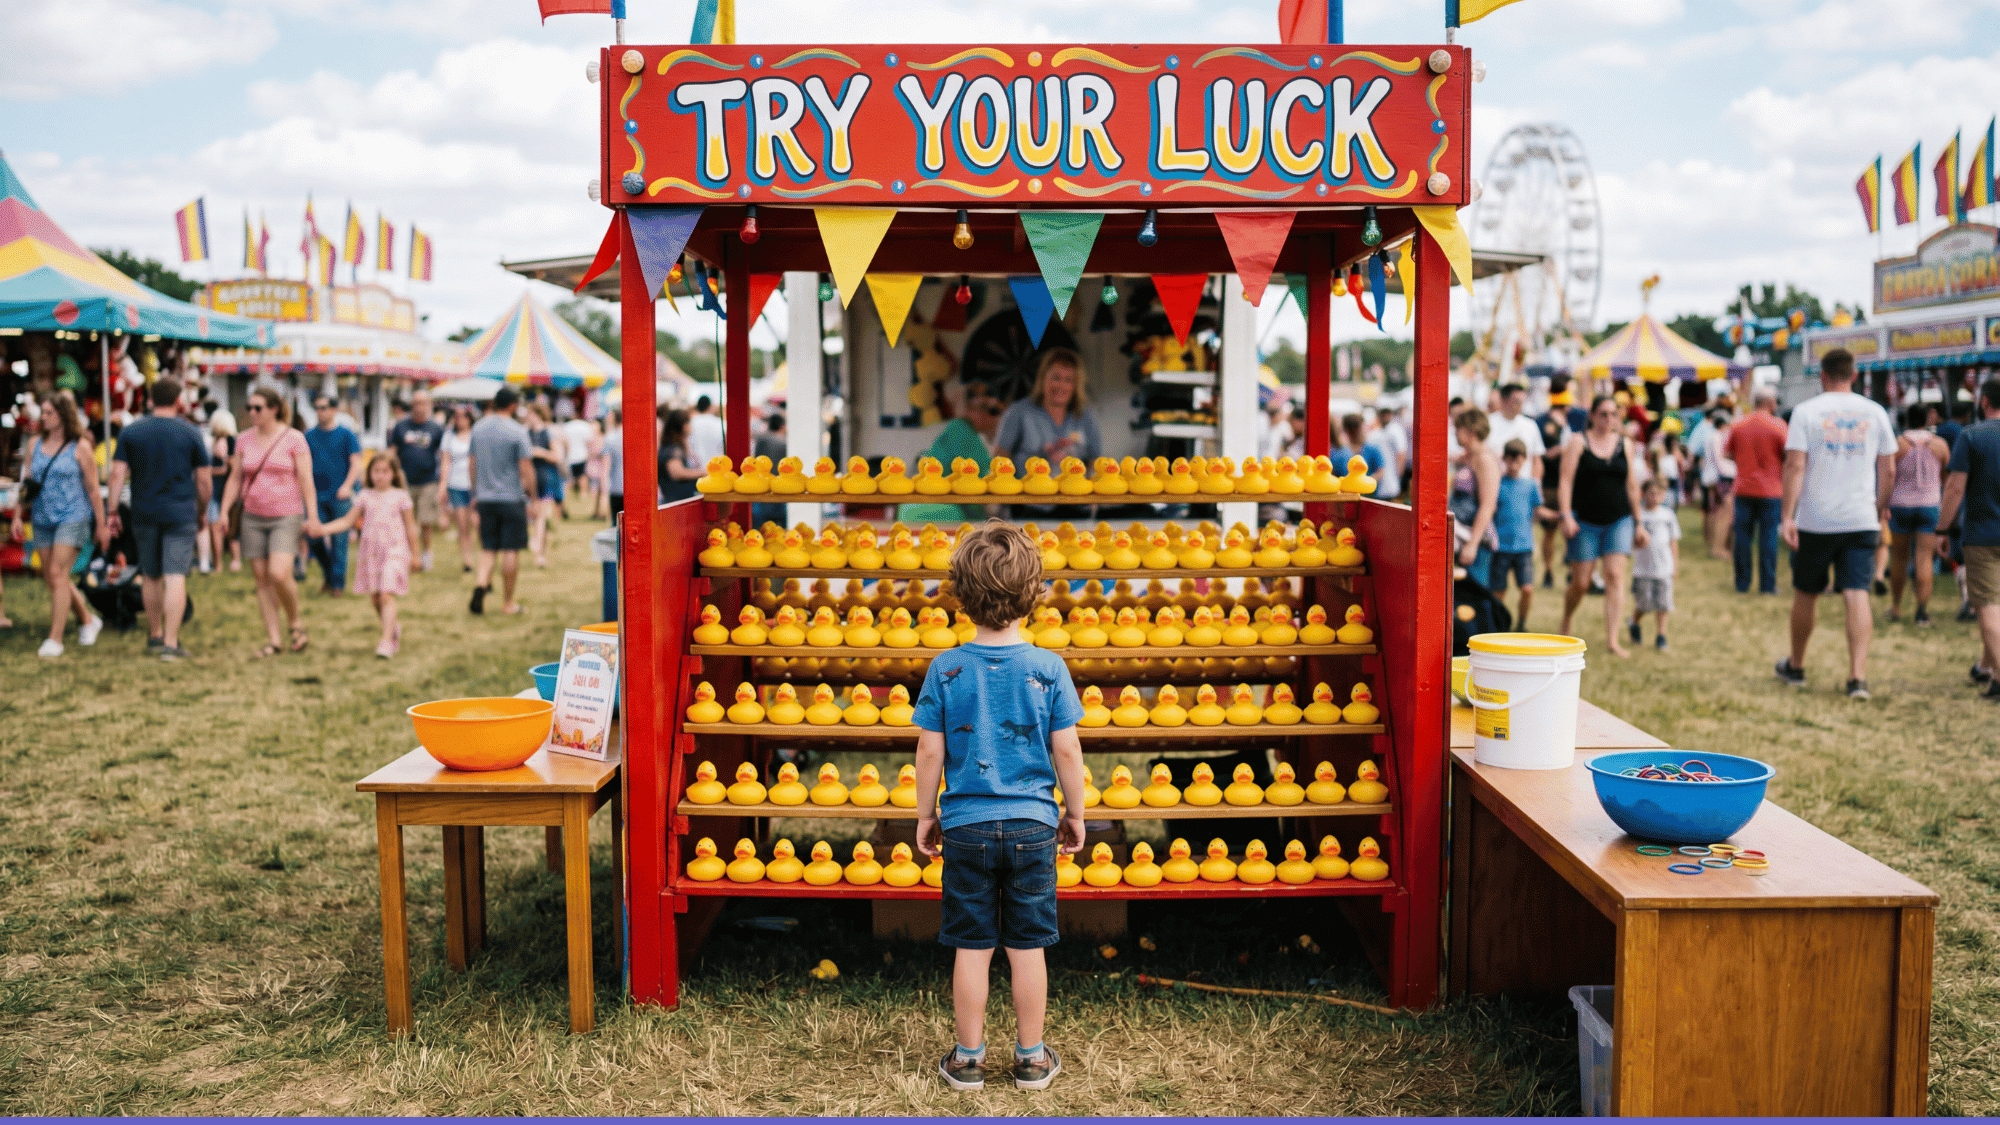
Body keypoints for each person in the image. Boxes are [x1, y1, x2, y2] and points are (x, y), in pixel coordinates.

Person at [912, 520, 1086, 1093]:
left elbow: (931, 750)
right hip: (1035, 825)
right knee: (1027, 945)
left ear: (962, 595)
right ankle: (1032, 1057)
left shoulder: (944, 668)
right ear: (1033, 594)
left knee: (973, 946)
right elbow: (1066, 748)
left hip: (965, 828)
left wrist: (926, 814)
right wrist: (1076, 812)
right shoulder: (1049, 667)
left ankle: (968, 1059)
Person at [1775, 348, 1896, 700]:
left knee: (1806, 592)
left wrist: (1787, 515)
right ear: (1854, 374)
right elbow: (1888, 469)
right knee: (1856, 593)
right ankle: (1857, 677)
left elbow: (1795, 465)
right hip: (1861, 517)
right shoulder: (1875, 412)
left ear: (1823, 376)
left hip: (1816, 517)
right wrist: (1881, 507)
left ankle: (1796, 666)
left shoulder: (1806, 412)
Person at [221, 386, 317, 657]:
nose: (252, 412)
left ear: (274, 409)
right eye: (249, 408)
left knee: (278, 572)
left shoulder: (294, 438)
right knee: (261, 579)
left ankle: (295, 621)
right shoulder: (243, 439)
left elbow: (305, 478)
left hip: (286, 514)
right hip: (252, 515)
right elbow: (235, 477)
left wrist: (312, 515)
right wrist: (226, 510)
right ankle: (274, 639)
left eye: (258, 408)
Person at [12, 392, 107, 657]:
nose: (43, 417)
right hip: (42, 517)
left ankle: (55, 640)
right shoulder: (34, 444)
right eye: (42, 412)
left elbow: (93, 489)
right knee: (52, 577)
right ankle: (88, 620)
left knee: (57, 572)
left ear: (63, 415)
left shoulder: (80, 447)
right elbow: (27, 483)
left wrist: (101, 524)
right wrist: (19, 514)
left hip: (73, 516)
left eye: (48, 412)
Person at [1559, 395, 1649, 657]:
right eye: (1603, 414)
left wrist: (1639, 522)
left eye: (1613, 414)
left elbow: (1632, 485)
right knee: (1582, 582)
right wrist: (1566, 515)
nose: (1608, 419)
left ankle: (1612, 640)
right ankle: (1567, 618)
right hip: (1585, 519)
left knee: (1615, 576)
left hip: (1618, 518)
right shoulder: (1578, 442)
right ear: (1592, 415)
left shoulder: (1625, 444)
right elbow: (1565, 481)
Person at [307, 449, 418, 658]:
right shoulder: (365, 496)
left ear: (393, 473)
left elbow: (411, 527)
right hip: (372, 553)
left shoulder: (401, 497)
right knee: (376, 597)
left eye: (385, 471)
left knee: (386, 594)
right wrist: (323, 529)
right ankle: (391, 626)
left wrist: (415, 555)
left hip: (395, 550)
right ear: (369, 474)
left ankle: (386, 641)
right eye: (376, 471)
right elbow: (347, 522)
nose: (380, 475)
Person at [1936, 378, 2000, 698]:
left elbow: (1955, 487)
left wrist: (1942, 529)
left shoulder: (1971, 436)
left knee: (1986, 605)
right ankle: (1986, 664)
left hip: (1983, 535)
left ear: (1984, 402)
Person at [995, 348, 1101, 515]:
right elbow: (1000, 458)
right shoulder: (1019, 412)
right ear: (1043, 378)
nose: (1061, 385)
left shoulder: (1085, 416)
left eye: (1069, 380)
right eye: (1056, 378)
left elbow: (1095, 462)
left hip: (1076, 507)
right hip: (1029, 507)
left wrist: (1094, 495)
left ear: (1075, 385)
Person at [466, 386, 535, 615]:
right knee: (510, 550)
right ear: (513, 406)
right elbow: (525, 467)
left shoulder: (478, 427)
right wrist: (533, 497)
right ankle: (508, 603)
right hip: (511, 498)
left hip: (485, 497)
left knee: (488, 548)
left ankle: (480, 585)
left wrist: (475, 492)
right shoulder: (517, 430)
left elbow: (472, 463)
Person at [904, 383, 1007, 525]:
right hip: (934, 510)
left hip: (912, 508)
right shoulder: (963, 433)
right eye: (992, 412)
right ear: (970, 410)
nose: (996, 419)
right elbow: (985, 488)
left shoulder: (958, 429)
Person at [1885, 403, 1951, 625]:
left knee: (1899, 558)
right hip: (1929, 504)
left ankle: (1895, 607)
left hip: (1900, 504)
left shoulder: (1897, 444)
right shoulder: (1940, 445)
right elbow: (1946, 477)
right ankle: (1921, 611)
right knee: (1923, 559)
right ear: (1929, 419)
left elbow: (1888, 475)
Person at [1725, 387, 1788, 595]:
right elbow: (1789, 455)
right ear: (1771, 403)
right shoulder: (1779, 426)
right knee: (1768, 538)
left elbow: (1727, 453)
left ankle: (1741, 584)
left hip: (1743, 488)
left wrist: (1743, 461)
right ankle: (1767, 585)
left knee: (1742, 537)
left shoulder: (1739, 424)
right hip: (1771, 490)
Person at [303, 395, 362, 596]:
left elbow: (356, 462)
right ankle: (329, 573)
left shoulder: (346, 435)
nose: (320, 412)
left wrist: (347, 486)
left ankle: (337, 584)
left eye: (324, 407)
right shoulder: (309, 436)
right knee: (313, 535)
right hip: (315, 496)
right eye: (317, 408)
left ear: (334, 410)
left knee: (339, 541)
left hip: (340, 496)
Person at [1489, 439, 1547, 630]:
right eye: (1510, 460)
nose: (1514, 465)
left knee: (1527, 589)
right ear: (1504, 459)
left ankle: (1521, 623)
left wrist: (1559, 515)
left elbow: (1538, 511)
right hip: (1502, 546)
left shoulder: (1530, 486)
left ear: (1524, 461)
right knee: (1499, 591)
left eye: (1518, 461)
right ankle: (1499, 624)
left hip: (1524, 546)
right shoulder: (1497, 484)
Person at [386, 390, 446, 572]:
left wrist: (442, 482)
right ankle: (408, 555)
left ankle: (426, 555)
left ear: (429, 405)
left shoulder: (435, 429)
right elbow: (392, 452)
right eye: (415, 403)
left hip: (428, 481)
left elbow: (442, 456)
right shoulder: (401, 426)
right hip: (405, 482)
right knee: (405, 522)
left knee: (426, 522)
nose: (419, 407)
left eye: (422, 403)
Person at [1627, 478, 1682, 651]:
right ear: (1643, 495)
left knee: (1663, 603)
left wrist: (1675, 565)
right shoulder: (1639, 516)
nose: (1655, 497)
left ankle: (1661, 635)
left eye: (1659, 493)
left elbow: (1673, 542)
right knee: (1644, 605)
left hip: (1664, 569)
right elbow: (1631, 542)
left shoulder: (1668, 515)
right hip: (1643, 570)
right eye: (1651, 493)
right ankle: (1634, 622)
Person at [1449, 409, 1500, 589]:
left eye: (1458, 427)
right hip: (1460, 536)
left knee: (1476, 597)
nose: (1454, 431)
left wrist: (1472, 544)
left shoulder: (1485, 460)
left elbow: (1488, 506)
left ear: (1471, 430)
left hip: (1475, 539)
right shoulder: (1468, 458)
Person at [525, 402, 567, 567]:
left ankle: (539, 555)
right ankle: (539, 549)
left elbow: (557, 456)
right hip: (530, 479)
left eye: (530, 413)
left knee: (541, 518)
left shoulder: (548, 433)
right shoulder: (526, 433)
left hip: (547, 478)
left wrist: (539, 452)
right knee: (535, 517)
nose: (528, 417)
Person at [440, 406, 477, 573]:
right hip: (456, 484)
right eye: (457, 417)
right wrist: (443, 484)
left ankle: (477, 553)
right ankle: (467, 559)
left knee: (476, 522)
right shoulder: (449, 436)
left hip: (473, 484)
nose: (460, 420)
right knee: (462, 524)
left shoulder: (476, 435)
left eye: (464, 416)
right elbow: (445, 461)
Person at [1697, 406, 1736, 560]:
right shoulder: (1717, 437)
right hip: (1721, 477)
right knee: (1723, 512)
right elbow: (1719, 459)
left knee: (1715, 511)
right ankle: (1718, 546)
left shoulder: (1710, 436)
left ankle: (1714, 544)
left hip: (1712, 477)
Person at [205, 409, 240, 574]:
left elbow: (231, 468)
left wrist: (209, 470)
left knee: (229, 527)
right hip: (217, 489)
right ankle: (219, 563)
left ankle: (233, 560)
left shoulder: (232, 441)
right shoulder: (217, 441)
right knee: (216, 527)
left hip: (226, 490)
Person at [1483, 383, 1543, 476]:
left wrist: (1535, 484)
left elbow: (1537, 460)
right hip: (1496, 483)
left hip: (1524, 484)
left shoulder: (1530, 425)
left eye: (1522, 401)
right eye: (1517, 401)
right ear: (1504, 400)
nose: (1520, 405)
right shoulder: (1487, 423)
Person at [751, 412, 789, 528]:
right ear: (782, 426)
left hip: (761, 486)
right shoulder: (784, 443)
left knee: (761, 524)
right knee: (779, 523)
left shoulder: (761, 439)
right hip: (779, 487)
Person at [657, 407, 701, 503]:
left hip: (679, 499)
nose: (691, 427)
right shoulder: (673, 449)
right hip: (676, 501)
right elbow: (677, 473)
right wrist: (703, 473)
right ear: (682, 425)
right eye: (688, 423)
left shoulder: (677, 445)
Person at [562, 410, 594, 517]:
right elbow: (589, 442)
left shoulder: (566, 426)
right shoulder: (585, 426)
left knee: (568, 480)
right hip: (582, 455)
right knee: (582, 476)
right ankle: (583, 494)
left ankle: (565, 501)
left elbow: (564, 442)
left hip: (570, 457)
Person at [603, 407, 627, 523]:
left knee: (616, 525)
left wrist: (604, 488)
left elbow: (606, 465)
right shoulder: (633, 435)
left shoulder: (610, 438)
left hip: (616, 487)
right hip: (633, 487)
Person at [688, 394, 724, 466]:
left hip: (695, 468)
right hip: (716, 466)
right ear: (710, 406)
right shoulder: (721, 423)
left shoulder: (690, 422)